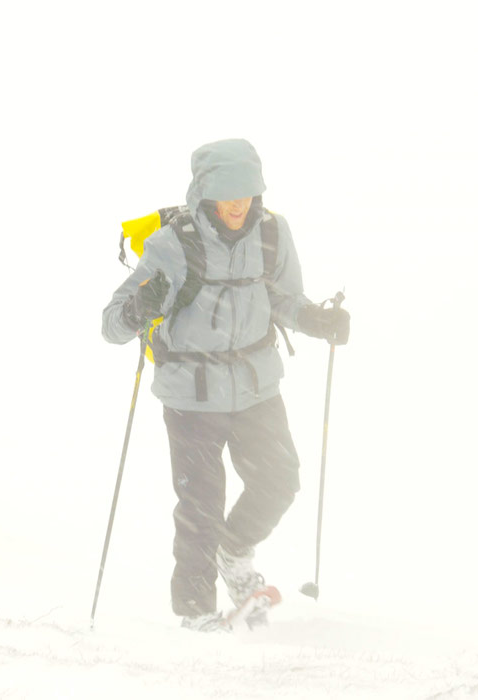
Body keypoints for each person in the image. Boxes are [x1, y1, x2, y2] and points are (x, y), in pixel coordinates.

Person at [101, 139, 350, 631]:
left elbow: (283, 299)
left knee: (280, 479)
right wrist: (139, 308)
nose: (239, 204)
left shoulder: (272, 233)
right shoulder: (173, 244)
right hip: (191, 396)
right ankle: (196, 616)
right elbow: (111, 324)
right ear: (205, 193)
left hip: (256, 386)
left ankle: (234, 554)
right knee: (200, 506)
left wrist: (318, 320)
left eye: (248, 193)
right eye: (227, 194)